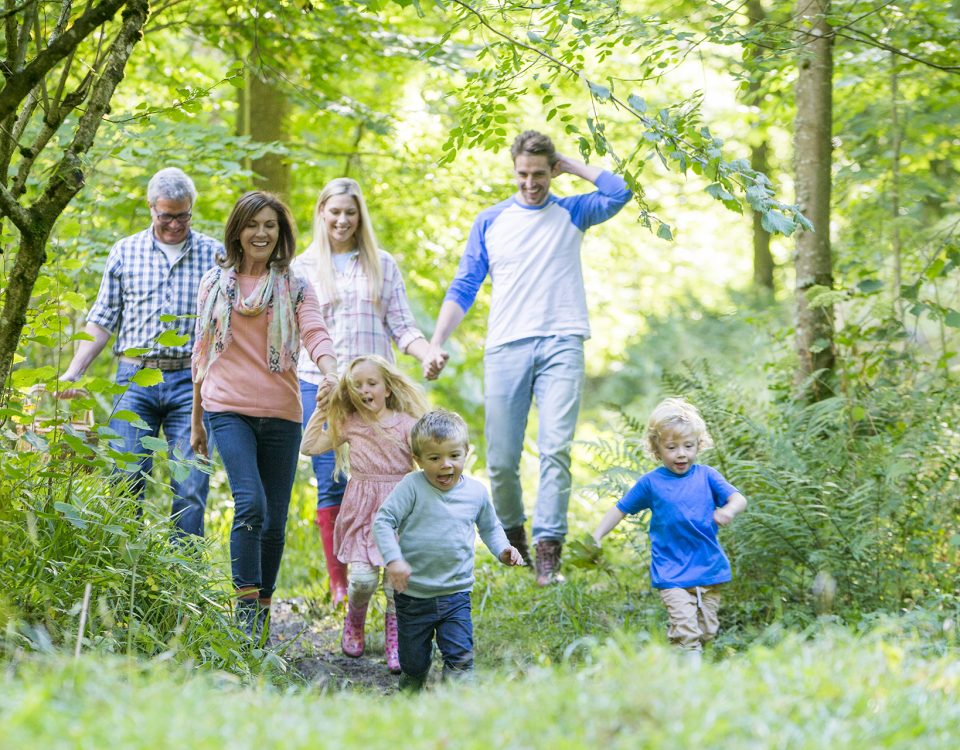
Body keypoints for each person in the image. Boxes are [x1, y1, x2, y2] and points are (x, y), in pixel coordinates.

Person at [428, 130, 632, 585]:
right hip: (506, 346)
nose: (530, 183)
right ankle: (515, 538)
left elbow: (620, 192)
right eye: (523, 174)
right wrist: (437, 340)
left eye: (539, 174)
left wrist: (573, 166)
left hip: (562, 340)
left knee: (556, 448)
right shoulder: (492, 221)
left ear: (550, 170)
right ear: (513, 170)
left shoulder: (573, 211)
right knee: (501, 459)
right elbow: (464, 285)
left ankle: (548, 550)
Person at [190, 191, 338, 639]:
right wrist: (197, 420)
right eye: (253, 224)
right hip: (226, 407)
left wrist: (331, 371)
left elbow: (314, 331)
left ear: (281, 233)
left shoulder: (295, 286)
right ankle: (246, 612)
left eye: (270, 225)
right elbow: (200, 353)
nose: (261, 233)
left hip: (281, 412)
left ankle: (265, 606)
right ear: (237, 230)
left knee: (274, 519)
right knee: (249, 503)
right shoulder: (214, 284)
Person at [293, 178, 448, 606]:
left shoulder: (382, 263)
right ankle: (340, 580)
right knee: (331, 481)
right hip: (320, 383)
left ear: (360, 216)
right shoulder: (301, 267)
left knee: (390, 476)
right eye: (335, 211)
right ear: (321, 212)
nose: (342, 220)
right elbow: (293, 334)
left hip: (375, 386)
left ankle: (389, 566)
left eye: (350, 212)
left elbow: (403, 327)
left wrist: (426, 353)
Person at [59, 168, 222, 538]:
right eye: (167, 215)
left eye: (183, 215)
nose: (175, 224)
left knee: (191, 482)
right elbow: (102, 319)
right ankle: (127, 571)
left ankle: (182, 576)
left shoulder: (215, 254)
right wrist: (74, 370)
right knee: (125, 476)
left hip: (192, 382)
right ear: (151, 208)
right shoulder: (125, 251)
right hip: (134, 378)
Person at [373, 410, 524, 690]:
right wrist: (393, 560)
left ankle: (458, 700)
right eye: (434, 458)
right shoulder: (412, 487)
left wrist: (504, 549)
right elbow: (383, 521)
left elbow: (490, 528)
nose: (446, 465)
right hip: (413, 595)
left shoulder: (476, 493)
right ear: (418, 460)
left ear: (466, 452)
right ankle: (411, 691)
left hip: (456, 593)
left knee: (460, 657)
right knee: (414, 662)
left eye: (454, 456)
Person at [592, 398, 747, 660]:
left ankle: (678, 654)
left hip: (708, 567)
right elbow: (620, 509)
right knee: (688, 634)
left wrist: (728, 510)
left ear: (699, 444)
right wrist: (597, 534)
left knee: (707, 631)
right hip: (671, 570)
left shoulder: (707, 476)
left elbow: (739, 498)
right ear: (657, 449)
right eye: (672, 447)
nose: (681, 454)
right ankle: (689, 675)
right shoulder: (651, 483)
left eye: (688, 446)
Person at [301, 354, 428, 673]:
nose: (365, 389)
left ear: (388, 387)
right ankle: (354, 621)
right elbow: (309, 446)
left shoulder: (406, 424)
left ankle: (395, 641)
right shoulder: (350, 424)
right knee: (361, 581)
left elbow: (429, 459)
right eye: (357, 385)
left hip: (401, 510)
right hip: (361, 512)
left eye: (372, 383)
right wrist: (321, 408)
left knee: (395, 586)